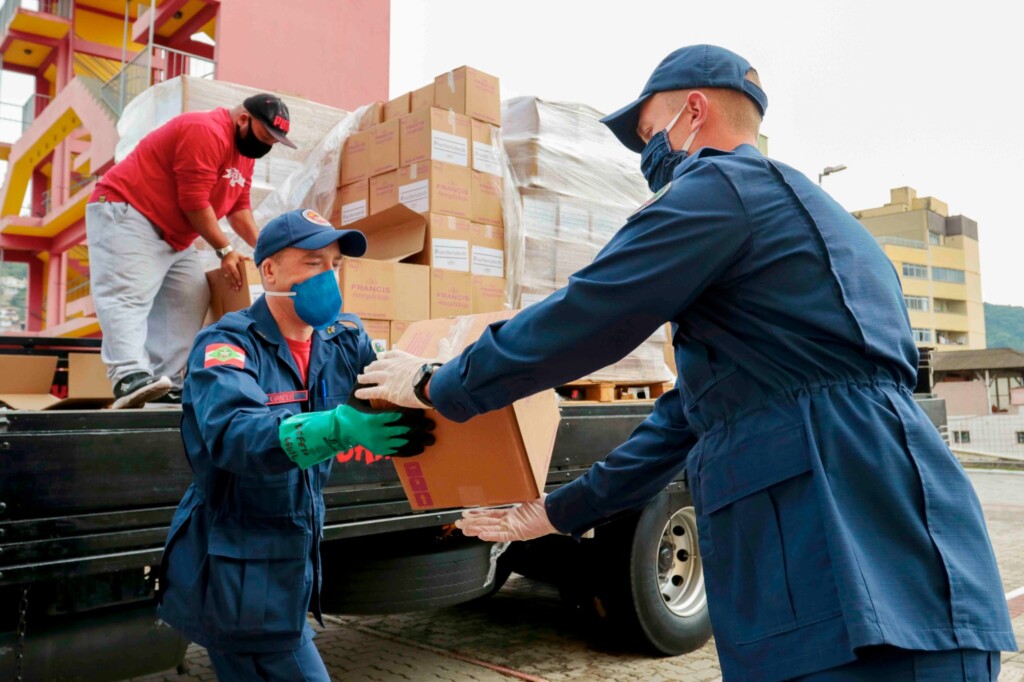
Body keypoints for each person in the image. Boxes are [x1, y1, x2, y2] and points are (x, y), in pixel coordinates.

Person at [355, 45, 1015, 681]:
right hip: (922, 584)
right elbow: (685, 419)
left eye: (649, 135)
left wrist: (439, 382)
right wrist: (555, 513)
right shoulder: (833, 232)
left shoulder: (719, 189)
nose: (648, 156)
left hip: (849, 586)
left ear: (693, 111)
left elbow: (588, 314)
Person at [157, 208, 435, 681]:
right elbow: (234, 434)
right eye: (312, 263)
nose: (328, 275)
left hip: (290, 560)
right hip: (237, 566)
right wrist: (338, 428)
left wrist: (429, 385)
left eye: (334, 263)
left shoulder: (342, 338)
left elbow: (388, 386)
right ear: (269, 270)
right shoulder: (225, 344)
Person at [87, 93, 296, 408]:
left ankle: (165, 382)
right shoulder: (205, 130)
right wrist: (225, 249)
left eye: (274, 142)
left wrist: (268, 251)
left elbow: (239, 208)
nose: (266, 146)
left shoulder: (245, 154)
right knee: (127, 293)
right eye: (265, 136)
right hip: (129, 212)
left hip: (175, 234)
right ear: (243, 120)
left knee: (190, 295)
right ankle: (128, 375)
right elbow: (194, 201)